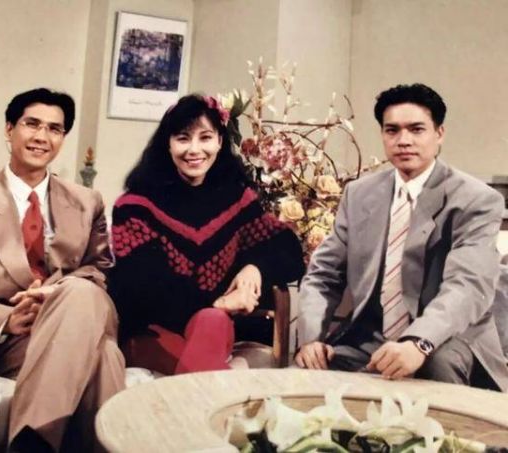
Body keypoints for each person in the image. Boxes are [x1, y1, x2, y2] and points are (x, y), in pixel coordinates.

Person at [0, 88, 125, 452]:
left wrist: (57, 295)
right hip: (11, 339)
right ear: (9, 129)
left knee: (79, 292)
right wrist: (5, 319)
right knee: (105, 356)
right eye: (32, 124)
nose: (42, 137)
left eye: (55, 129)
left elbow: (100, 270)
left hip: (78, 314)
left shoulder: (87, 201)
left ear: (62, 138)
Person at [295, 83, 508, 391]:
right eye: (392, 130)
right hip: (370, 340)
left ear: (439, 134)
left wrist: (418, 342)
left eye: (416, 129)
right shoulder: (359, 195)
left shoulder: (476, 199)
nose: (403, 140)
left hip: (449, 337)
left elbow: (467, 285)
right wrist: (311, 339)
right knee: (302, 378)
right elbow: (323, 274)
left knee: (436, 366)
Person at [108, 94, 305, 375]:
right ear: (168, 143)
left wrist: (255, 268)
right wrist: (220, 303)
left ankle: (202, 392)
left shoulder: (236, 199)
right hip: (152, 331)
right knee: (214, 321)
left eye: (205, 138)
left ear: (220, 141)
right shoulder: (135, 206)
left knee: (213, 320)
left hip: (212, 324)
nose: (194, 149)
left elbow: (288, 247)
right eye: (183, 138)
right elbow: (144, 289)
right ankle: (218, 385)